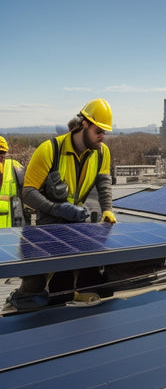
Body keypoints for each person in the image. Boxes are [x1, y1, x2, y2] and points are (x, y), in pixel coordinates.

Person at [8, 99, 117, 307]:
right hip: (49, 224)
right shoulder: (50, 150)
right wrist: (56, 208)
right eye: (98, 130)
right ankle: (24, 299)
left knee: (78, 270)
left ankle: (66, 297)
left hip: (76, 221)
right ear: (84, 124)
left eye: (105, 132)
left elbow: (104, 183)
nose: (102, 137)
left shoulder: (101, 152)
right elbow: (28, 192)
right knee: (36, 282)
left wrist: (108, 210)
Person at [0, 136, 24, 228]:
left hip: (10, 228)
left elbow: (28, 189)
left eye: (2, 152)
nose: (1, 155)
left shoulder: (14, 165)